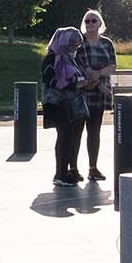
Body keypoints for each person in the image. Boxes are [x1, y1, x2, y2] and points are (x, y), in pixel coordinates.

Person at [42, 28, 88, 187]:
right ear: (63, 43)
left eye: (77, 45)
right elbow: (50, 80)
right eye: (72, 45)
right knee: (65, 133)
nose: (75, 48)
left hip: (68, 103)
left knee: (67, 134)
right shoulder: (52, 57)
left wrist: (80, 83)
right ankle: (61, 174)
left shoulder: (70, 58)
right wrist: (72, 84)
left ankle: (63, 171)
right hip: (55, 103)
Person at [75, 10, 116, 182]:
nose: (90, 24)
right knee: (76, 131)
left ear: (100, 23)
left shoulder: (107, 43)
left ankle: (93, 167)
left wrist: (99, 74)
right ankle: (73, 168)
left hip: (99, 96)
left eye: (94, 21)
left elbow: (112, 66)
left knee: (94, 131)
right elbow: (84, 68)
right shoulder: (79, 42)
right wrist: (98, 81)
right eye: (87, 21)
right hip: (82, 93)